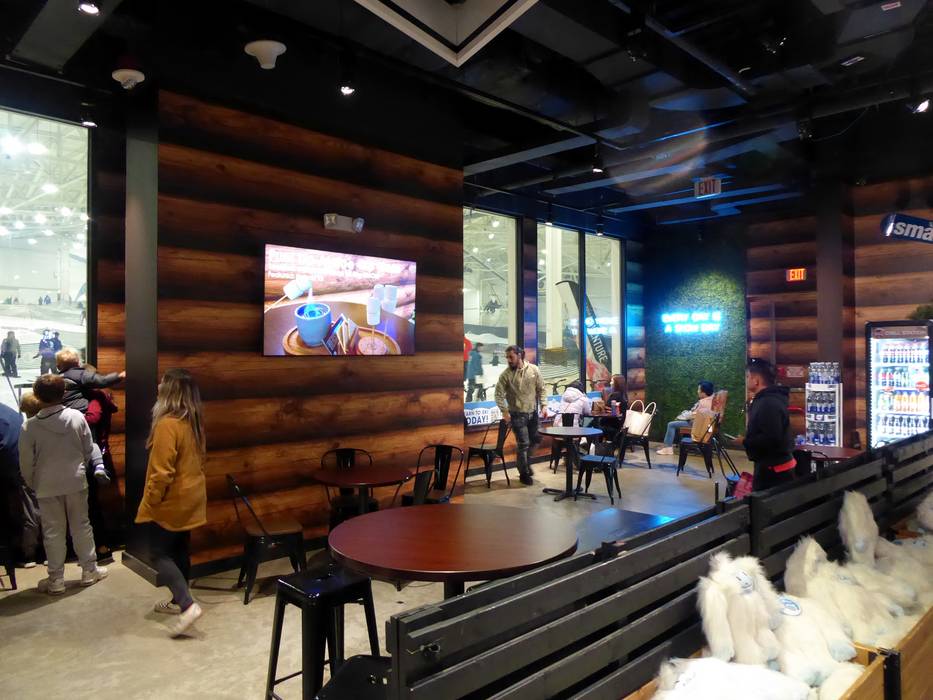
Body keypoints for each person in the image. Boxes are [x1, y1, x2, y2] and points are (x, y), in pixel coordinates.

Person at [18, 374, 108, 594]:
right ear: (64, 393)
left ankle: (56, 579)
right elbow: (88, 448)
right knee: (81, 526)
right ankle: (89, 570)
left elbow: (26, 463)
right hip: (76, 480)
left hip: (46, 485)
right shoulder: (77, 417)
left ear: (37, 395)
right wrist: (79, 468)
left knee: (52, 532)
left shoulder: (30, 426)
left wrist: (33, 483)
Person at [135, 368, 207, 637]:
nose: (157, 387)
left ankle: (187, 605)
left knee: (158, 553)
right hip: (192, 496)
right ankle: (179, 599)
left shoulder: (167, 424)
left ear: (169, 391)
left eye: (162, 384)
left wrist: (150, 502)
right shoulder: (193, 422)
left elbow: (160, 473)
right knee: (179, 549)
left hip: (172, 499)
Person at [494, 345, 547, 485]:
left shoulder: (534, 370)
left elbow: (541, 389)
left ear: (519, 355)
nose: (508, 360)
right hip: (517, 415)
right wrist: (505, 412)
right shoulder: (506, 375)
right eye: (507, 357)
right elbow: (498, 395)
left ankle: (525, 462)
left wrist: (544, 405)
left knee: (537, 439)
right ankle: (523, 473)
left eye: (511, 357)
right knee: (523, 444)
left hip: (533, 413)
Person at [744, 358, 796, 491]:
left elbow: (771, 438)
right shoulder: (768, 399)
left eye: (748, 377)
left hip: (774, 471)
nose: (747, 380)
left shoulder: (768, 403)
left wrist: (745, 441)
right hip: (772, 466)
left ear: (756, 380)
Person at [656, 381, 715, 455]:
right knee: (676, 421)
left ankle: (668, 448)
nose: (697, 391)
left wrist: (683, 416)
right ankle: (666, 446)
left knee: (671, 424)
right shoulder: (712, 400)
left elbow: (694, 415)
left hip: (697, 425)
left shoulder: (703, 403)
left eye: (699, 390)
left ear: (704, 392)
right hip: (704, 425)